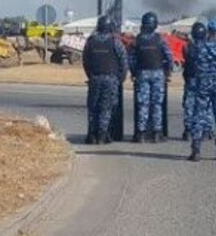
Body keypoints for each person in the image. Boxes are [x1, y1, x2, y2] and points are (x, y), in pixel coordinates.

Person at [189, 17, 216, 161]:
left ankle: (196, 150)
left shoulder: (200, 46)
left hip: (203, 84)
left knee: (199, 115)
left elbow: (193, 64)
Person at [83, 15, 128, 145]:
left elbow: (85, 61)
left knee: (93, 107)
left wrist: (90, 76)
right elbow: (124, 63)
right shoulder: (116, 42)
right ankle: (102, 136)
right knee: (106, 108)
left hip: (95, 78)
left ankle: (92, 135)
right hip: (110, 80)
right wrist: (120, 79)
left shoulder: (90, 41)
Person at [130, 12, 173, 143]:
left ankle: (141, 134)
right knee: (156, 105)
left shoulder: (137, 40)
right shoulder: (160, 39)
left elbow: (131, 60)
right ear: (155, 24)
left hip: (142, 73)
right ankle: (156, 133)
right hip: (158, 74)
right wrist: (168, 71)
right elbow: (169, 57)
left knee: (143, 104)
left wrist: (133, 73)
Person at [181, 21, 206, 141]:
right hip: (204, 80)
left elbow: (186, 58)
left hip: (190, 78)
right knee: (205, 105)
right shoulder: (208, 47)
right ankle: (206, 129)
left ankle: (188, 130)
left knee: (189, 105)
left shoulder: (187, 47)